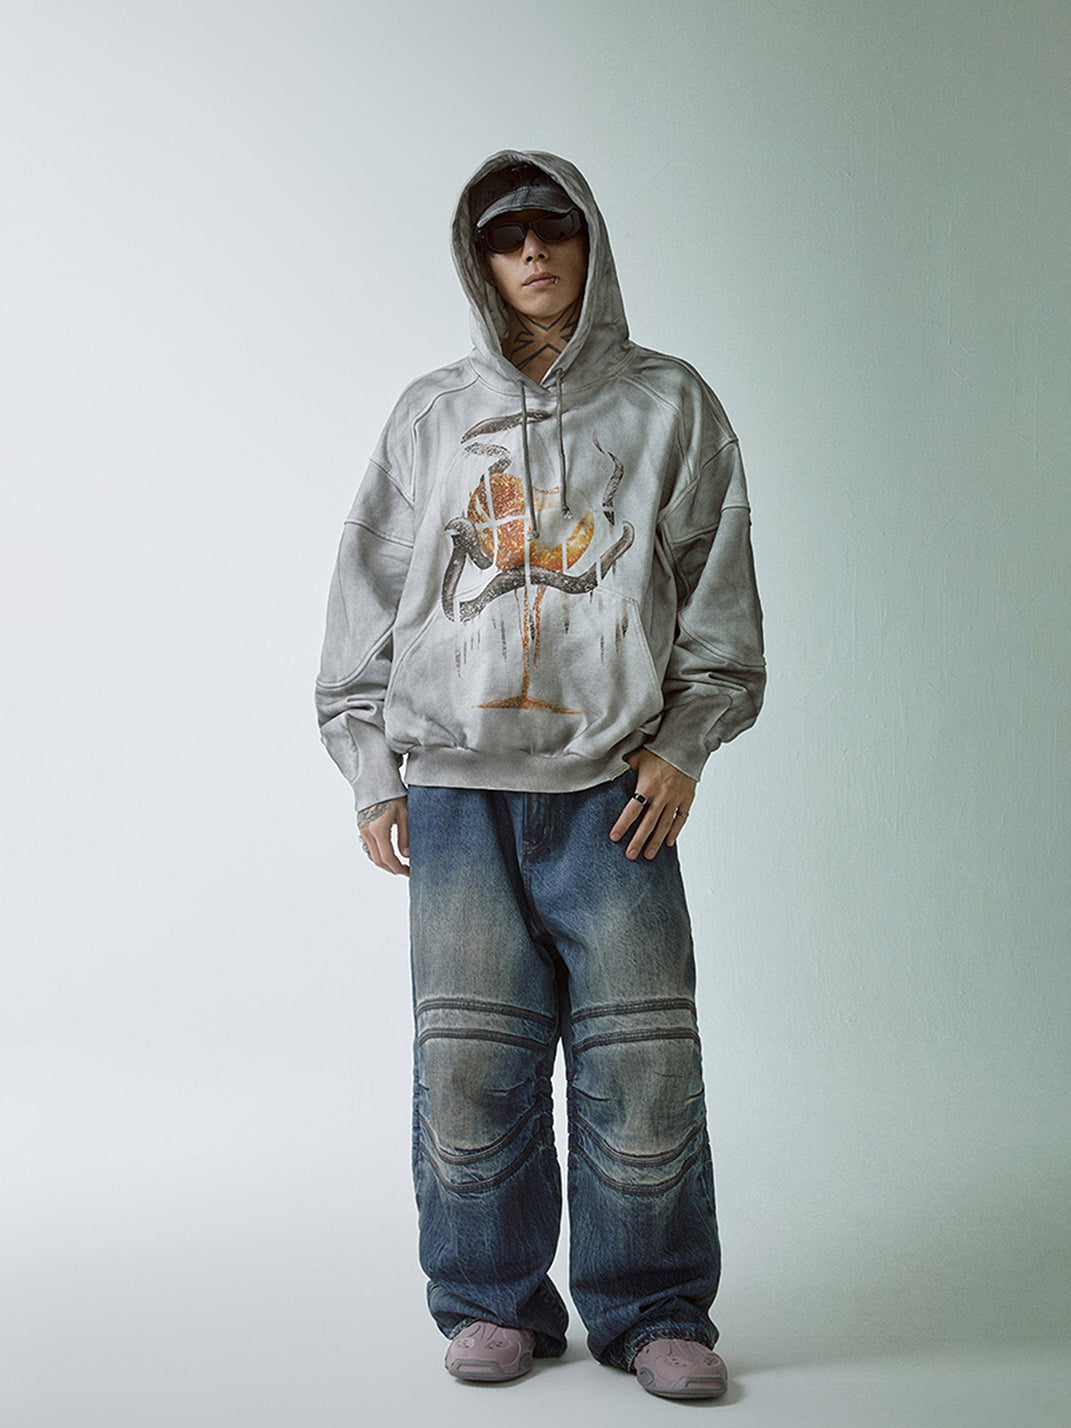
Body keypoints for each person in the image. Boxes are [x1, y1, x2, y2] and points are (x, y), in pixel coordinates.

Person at [315, 149, 765, 1400]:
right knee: (470, 1065)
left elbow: (719, 603)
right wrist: (371, 764)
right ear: (478, 255)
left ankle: (653, 1309)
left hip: (615, 795)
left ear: (588, 239)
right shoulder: (430, 415)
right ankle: (493, 1302)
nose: (530, 252)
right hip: (458, 795)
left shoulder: (670, 406)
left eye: (551, 227)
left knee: (643, 1062)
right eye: (503, 234)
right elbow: (365, 588)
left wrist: (683, 744)